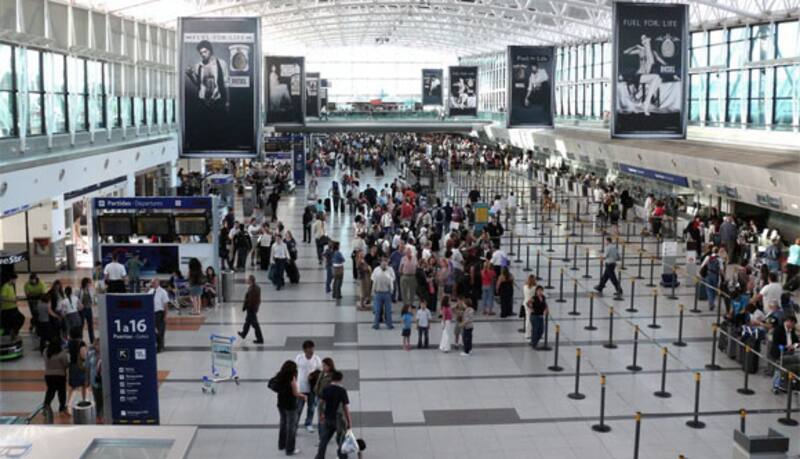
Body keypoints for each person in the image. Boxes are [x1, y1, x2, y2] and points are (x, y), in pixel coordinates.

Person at [271, 360, 306, 456]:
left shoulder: (280, 376)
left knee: (283, 423)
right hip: (290, 405)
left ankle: (281, 445)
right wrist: (303, 396)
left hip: (281, 404)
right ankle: (290, 449)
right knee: (291, 427)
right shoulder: (292, 378)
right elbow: (295, 393)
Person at [315, 370, 351, 459]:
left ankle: (320, 456)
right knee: (341, 440)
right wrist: (349, 421)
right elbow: (345, 407)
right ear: (341, 379)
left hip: (328, 417)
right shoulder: (342, 390)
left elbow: (321, 404)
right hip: (338, 418)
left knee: (324, 440)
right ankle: (342, 456)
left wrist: (321, 415)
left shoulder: (326, 389)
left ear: (331, 378)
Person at [295, 340, 322, 433]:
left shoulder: (316, 359)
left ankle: (308, 423)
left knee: (311, 407)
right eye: (309, 350)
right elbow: (295, 370)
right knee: (298, 408)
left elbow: (320, 371)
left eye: (312, 350)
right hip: (301, 387)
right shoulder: (299, 358)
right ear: (304, 350)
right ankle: (295, 425)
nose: (311, 352)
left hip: (312, 388)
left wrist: (313, 375)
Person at [43, 338, 69, 417]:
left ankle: (46, 406)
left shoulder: (45, 351)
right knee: (62, 392)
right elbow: (66, 364)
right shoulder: (62, 353)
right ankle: (62, 407)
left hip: (48, 375)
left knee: (50, 391)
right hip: (60, 376)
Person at [66, 327, 87, 414]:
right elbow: (84, 356)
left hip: (72, 365)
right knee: (84, 384)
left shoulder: (70, 343)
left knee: (72, 386)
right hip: (80, 366)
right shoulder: (81, 343)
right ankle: (84, 400)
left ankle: (68, 404)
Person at [237, 275, 264, 344]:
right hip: (252, 308)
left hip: (251, 308)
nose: (246, 280)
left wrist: (247, 306)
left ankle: (260, 339)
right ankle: (243, 334)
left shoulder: (253, 289)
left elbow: (251, 300)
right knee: (247, 322)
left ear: (250, 280)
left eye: (248, 279)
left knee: (255, 324)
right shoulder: (254, 287)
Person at [370, 258, 395, 329]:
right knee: (377, 310)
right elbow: (373, 281)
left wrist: (391, 291)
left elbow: (392, 281)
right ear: (380, 263)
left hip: (387, 293)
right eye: (383, 263)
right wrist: (372, 291)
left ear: (387, 263)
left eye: (385, 263)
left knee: (388, 310)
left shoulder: (390, 270)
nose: (384, 264)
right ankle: (376, 324)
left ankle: (389, 324)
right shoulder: (376, 270)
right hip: (378, 293)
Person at [0, 273, 23, 339]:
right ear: (11, 279)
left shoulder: (11, 286)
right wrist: (12, 300)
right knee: (20, 319)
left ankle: (13, 332)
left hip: (13, 307)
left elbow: (10, 296)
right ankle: (13, 332)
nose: (15, 281)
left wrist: (15, 298)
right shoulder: (5, 286)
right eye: (15, 280)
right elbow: (2, 298)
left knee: (20, 319)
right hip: (8, 309)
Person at [150, 279, 169, 353]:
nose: (152, 284)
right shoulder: (151, 291)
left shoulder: (163, 292)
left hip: (159, 313)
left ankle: (160, 347)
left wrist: (165, 316)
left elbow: (165, 305)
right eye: (152, 283)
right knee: (154, 331)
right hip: (152, 313)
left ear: (158, 283)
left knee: (160, 331)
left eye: (154, 282)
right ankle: (157, 345)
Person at [86, 338, 103, 421]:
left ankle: (102, 414)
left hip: (104, 382)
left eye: (100, 344)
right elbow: (87, 368)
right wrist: (87, 381)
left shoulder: (105, 354)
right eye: (96, 344)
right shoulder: (90, 354)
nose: (98, 346)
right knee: (97, 398)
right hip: (94, 381)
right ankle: (98, 414)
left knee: (103, 398)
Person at [77, 278, 96, 344]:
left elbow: (93, 297)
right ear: (85, 283)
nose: (90, 284)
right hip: (82, 310)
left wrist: (93, 302)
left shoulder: (90, 290)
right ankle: (80, 340)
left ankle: (92, 340)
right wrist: (79, 305)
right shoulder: (79, 290)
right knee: (81, 325)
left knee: (90, 325)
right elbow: (76, 299)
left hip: (89, 309)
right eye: (89, 282)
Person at [522, 275, 537, 341]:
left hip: (525, 302)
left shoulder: (525, 287)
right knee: (530, 319)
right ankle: (528, 333)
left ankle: (528, 333)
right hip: (531, 304)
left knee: (528, 318)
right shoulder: (534, 288)